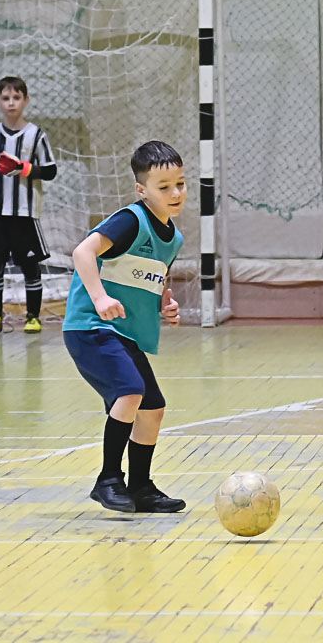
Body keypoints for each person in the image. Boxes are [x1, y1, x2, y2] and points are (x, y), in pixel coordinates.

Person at [63, 141, 187, 513]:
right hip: (91, 327)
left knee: (153, 408)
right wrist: (99, 297)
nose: (175, 193)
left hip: (123, 332)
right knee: (130, 392)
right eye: (164, 187)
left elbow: (151, 278)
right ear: (141, 190)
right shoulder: (130, 220)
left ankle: (141, 487)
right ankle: (108, 479)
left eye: (180, 184)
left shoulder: (173, 237)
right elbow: (83, 252)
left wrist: (165, 304)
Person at [0, 76, 57, 333]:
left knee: (29, 264)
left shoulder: (36, 135)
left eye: (16, 97)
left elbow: (50, 171)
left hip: (25, 212)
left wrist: (23, 168)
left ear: (26, 100)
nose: (11, 103)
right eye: (6, 98)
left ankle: (33, 316)